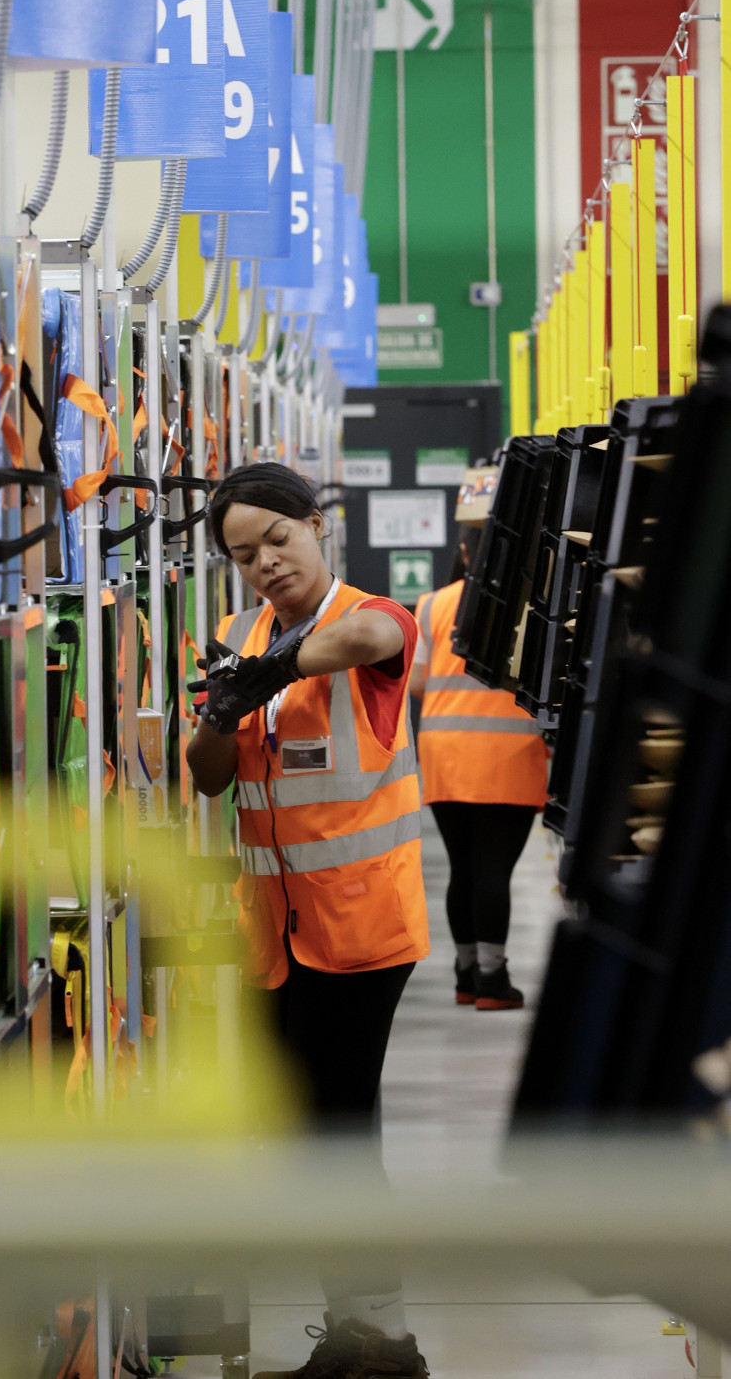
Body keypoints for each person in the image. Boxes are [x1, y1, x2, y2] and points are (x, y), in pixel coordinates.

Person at [186, 461, 429, 1379]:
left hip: (360, 930)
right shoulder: (230, 635)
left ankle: (386, 1342)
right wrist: (220, 709)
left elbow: (364, 637)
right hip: (277, 938)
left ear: (317, 524)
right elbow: (209, 774)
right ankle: (360, 1329)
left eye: (276, 540)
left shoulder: (373, 614)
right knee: (306, 1133)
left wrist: (271, 668)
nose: (264, 565)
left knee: (334, 1135)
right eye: (243, 555)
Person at [410, 466, 548, 1011]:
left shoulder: (433, 604)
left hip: (444, 753)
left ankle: (465, 972)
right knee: (494, 869)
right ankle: (493, 978)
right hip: (508, 753)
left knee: (464, 868)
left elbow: (418, 681)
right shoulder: (534, 607)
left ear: (466, 553)